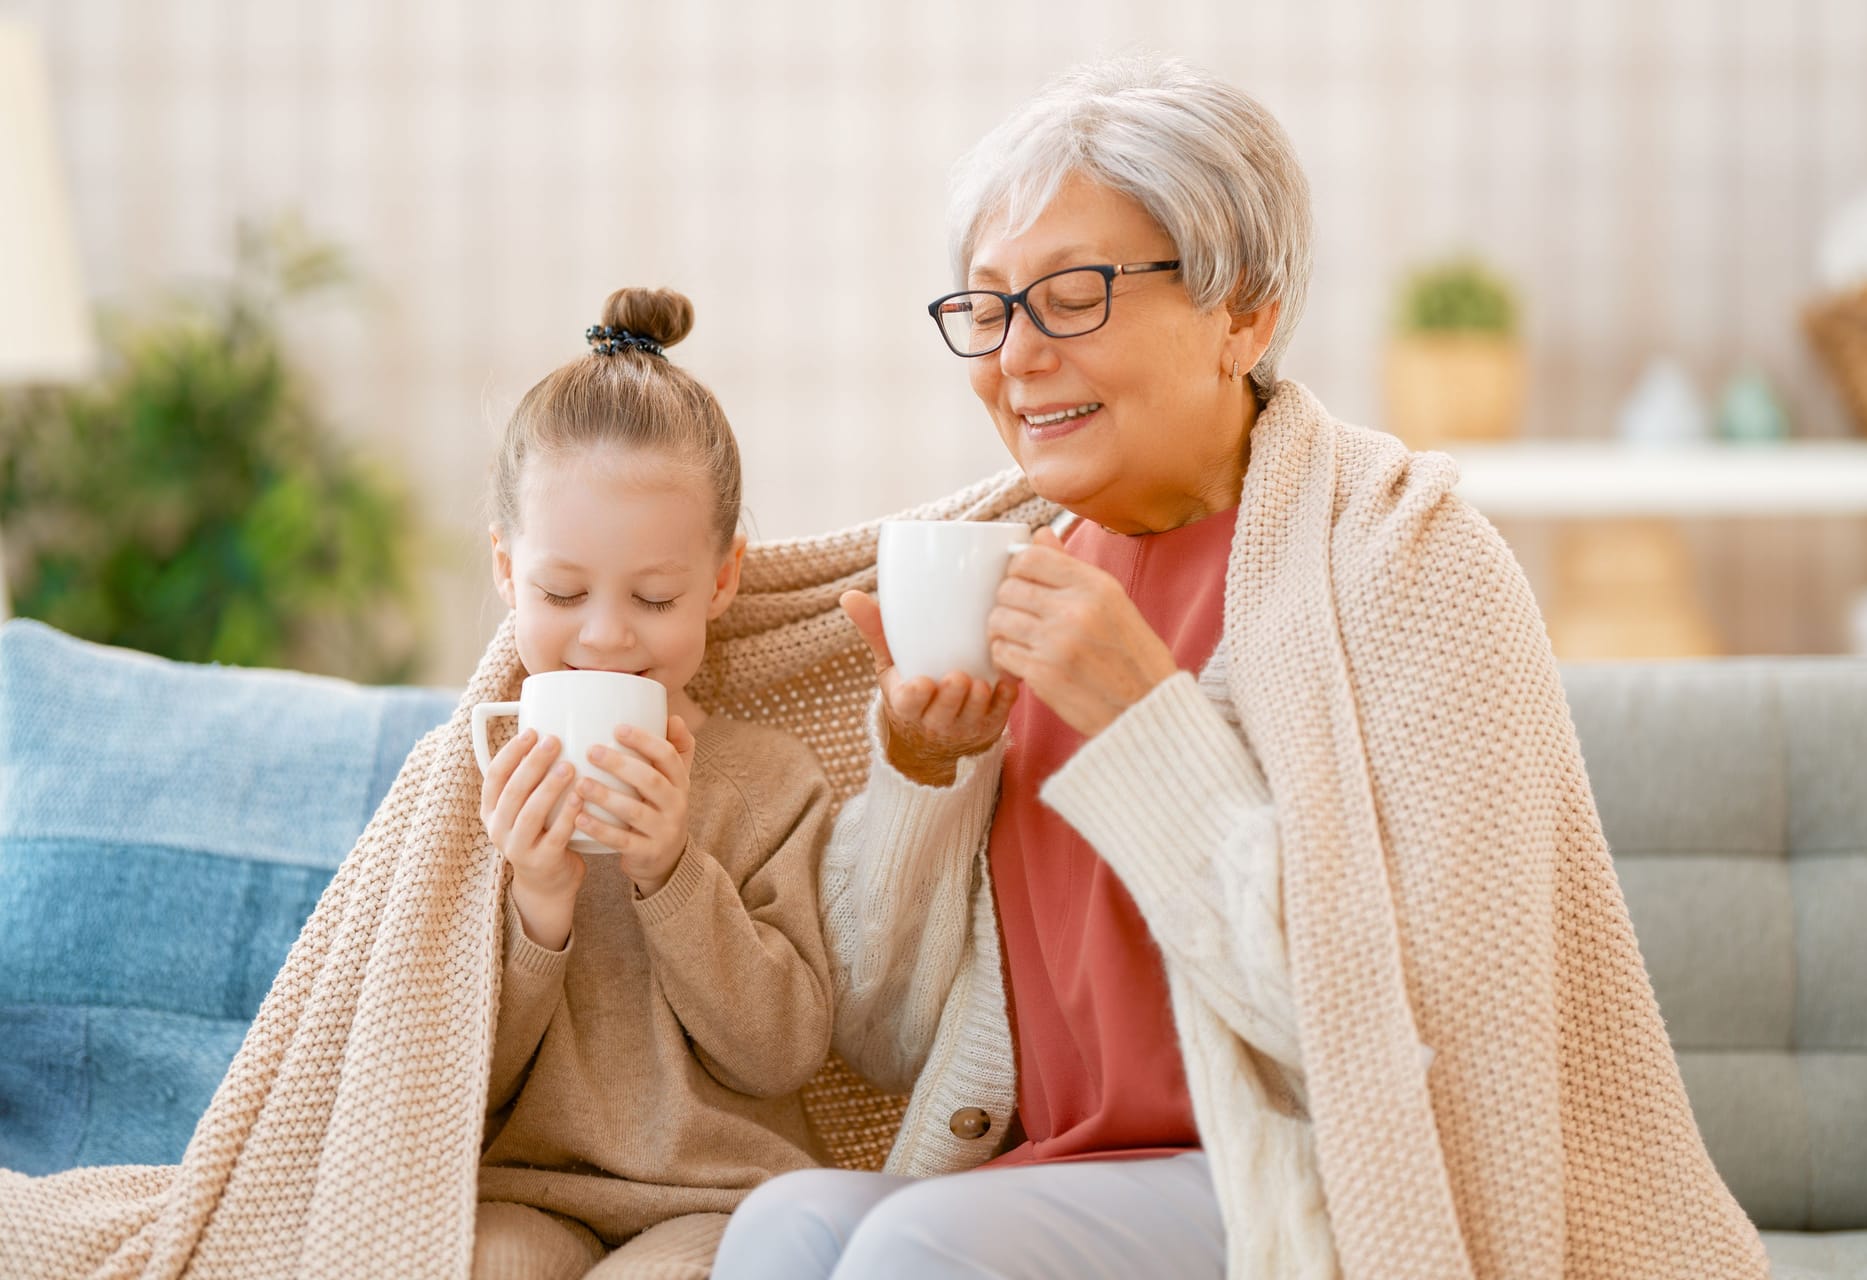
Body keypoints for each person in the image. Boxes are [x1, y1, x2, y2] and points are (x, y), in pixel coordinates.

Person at [712, 55, 1768, 1280]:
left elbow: (1416, 1036)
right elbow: (885, 1038)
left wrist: (1139, 716)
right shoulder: (1008, 570)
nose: (1015, 356)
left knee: (917, 1248)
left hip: (1334, 1180)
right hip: (1061, 1180)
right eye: (989, 307)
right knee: (784, 1228)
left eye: (1071, 294)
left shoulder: (1402, 557)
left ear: (1246, 313)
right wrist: (924, 771)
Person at [473, 287, 834, 1279]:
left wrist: (671, 869)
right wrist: (539, 911)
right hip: (520, 1189)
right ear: (506, 571)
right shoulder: (472, 785)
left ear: (722, 581)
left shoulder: (770, 783)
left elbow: (781, 1048)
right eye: (561, 591)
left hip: (717, 1199)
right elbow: (443, 1072)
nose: (605, 633)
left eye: (656, 595)